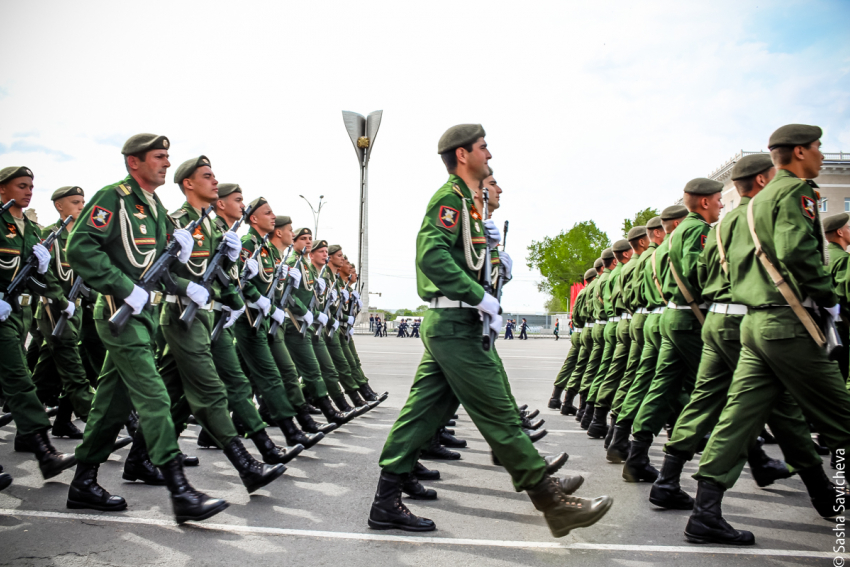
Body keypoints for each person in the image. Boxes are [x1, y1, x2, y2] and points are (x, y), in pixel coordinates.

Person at [368, 123, 611, 537]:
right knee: (497, 409)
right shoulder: (449, 200)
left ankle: (385, 500)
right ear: (463, 155)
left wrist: (492, 276)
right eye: (484, 148)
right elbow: (432, 257)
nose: (490, 155)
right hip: (455, 322)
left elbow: (469, 263)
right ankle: (550, 499)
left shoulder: (468, 205)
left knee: (424, 413)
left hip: (460, 322)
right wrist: (478, 296)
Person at [685, 124, 850, 545]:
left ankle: (705, 511)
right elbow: (798, 251)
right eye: (816, 148)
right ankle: (832, 496)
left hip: (756, 324)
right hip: (789, 323)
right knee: (841, 415)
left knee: (737, 421)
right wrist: (827, 297)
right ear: (797, 153)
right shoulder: (795, 191)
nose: (819, 154)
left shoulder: (747, 209)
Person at [66, 134, 227, 522]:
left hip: (143, 316)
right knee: (154, 398)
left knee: (110, 405)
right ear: (134, 162)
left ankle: (83, 483)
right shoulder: (114, 198)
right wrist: (123, 287)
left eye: (168, 157)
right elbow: (79, 248)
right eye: (159, 157)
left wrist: (181, 253)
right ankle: (180, 491)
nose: (167, 164)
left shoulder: (153, 207)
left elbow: (158, 266)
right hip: (117, 313)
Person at [153, 157, 286, 495]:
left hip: (208, 316)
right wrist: (186, 286)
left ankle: (139, 456)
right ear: (188, 184)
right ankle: (248, 464)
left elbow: (223, 278)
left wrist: (235, 303)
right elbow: (155, 271)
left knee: (176, 395)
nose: (215, 182)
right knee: (212, 391)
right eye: (208, 177)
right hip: (180, 314)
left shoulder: (212, 228)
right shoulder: (175, 221)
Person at [0, 166, 77, 483]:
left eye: (31, 186)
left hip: (16, 315)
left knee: (14, 382)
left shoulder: (28, 229)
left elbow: (41, 277)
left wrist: (61, 299)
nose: (28, 191)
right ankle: (45, 453)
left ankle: (37, 448)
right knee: (20, 381)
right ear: (2, 189)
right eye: (21, 185)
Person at [607, 206, 688, 463]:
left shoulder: (633, 264)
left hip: (639, 318)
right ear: (647, 238)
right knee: (682, 380)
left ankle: (617, 437)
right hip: (662, 314)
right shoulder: (657, 254)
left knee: (642, 377)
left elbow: (625, 296)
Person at [31, 186, 95, 438]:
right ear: (59, 206)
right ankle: (96, 421)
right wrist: (61, 301)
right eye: (75, 202)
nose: (81, 206)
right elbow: (42, 275)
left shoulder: (82, 236)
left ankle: (42, 426)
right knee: (70, 369)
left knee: (47, 374)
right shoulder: (49, 235)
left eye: (82, 201)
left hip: (76, 311)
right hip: (52, 311)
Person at [587, 238, 636, 440]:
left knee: (606, 369)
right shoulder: (623, 271)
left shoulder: (602, 280)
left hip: (607, 324)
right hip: (623, 321)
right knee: (632, 374)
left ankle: (593, 417)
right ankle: (614, 429)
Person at [549, 268, 596, 412]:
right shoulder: (594, 289)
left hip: (579, 331)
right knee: (588, 367)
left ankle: (556, 398)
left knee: (570, 365)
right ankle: (581, 407)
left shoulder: (582, 292)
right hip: (589, 330)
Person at [824, 212, 850, 381]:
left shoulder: (822, 256)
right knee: (841, 377)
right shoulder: (843, 259)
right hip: (840, 328)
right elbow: (846, 296)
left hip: (822, 327)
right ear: (840, 232)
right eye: (849, 228)